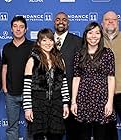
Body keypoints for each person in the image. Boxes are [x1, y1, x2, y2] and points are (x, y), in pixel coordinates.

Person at [71, 21, 117, 140]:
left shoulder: (107, 54)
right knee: (83, 135)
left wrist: (110, 102)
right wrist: (73, 101)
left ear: (101, 36)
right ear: (85, 35)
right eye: (90, 33)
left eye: (97, 33)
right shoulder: (79, 55)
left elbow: (111, 78)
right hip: (83, 99)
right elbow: (76, 78)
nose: (93, 36)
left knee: (101, 135)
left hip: (102, 100)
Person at [23, 28, 70, 140]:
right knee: (38, 136)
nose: (48, 43)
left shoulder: (60, 60)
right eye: (44, 40)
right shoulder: (32, 60)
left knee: (56, 136)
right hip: (38, 104)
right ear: (38, 43)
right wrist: (27, 108)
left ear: (54, 42)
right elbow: (26, 86)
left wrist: (65, 103)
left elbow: (64, 84)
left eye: (50, 40)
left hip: (56, 104)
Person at [2, 16, 34, 140]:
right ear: (11, 29)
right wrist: (4, 88)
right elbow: (4, 68)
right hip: (11, 93)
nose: (18, 29)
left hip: (30, 93)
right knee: (12, 127)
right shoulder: (6, 47)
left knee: (31, 127)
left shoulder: (33, 46)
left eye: (21, 27)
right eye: (15, 26)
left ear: (26, 29)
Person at [54, 12, 82, 140]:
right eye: (58, 19)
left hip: (71, 95)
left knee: (73, 132)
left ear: (68, 23)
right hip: (51, 97)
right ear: (54, 22)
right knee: (54, 133)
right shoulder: (46, 40)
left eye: (64, 20)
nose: (61, 22)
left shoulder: (77, 41)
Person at [102, 11, 121, 121]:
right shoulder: (96, 40)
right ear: (102, 23)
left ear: (117, 22)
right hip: (103, 93)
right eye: (107, 19)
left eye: (113, 19)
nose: (110, 21)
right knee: (107, 130)